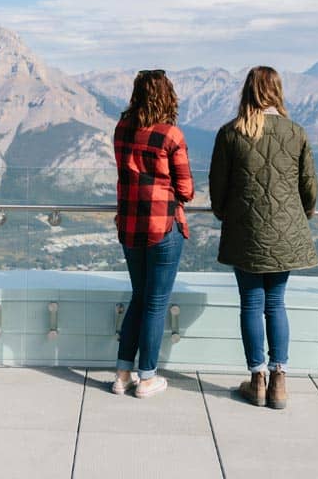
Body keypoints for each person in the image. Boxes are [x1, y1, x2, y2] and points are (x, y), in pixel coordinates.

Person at [209, 66, 318, 409]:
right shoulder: (295, 132)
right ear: (277, 92)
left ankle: (257, 379)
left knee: (251, 304)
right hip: (286, 232)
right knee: (276, 303)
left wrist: (230, 215)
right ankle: (280, 380)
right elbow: (309, 187)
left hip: (245, 231)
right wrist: (299, 216)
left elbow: (217, 190)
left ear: (247, 92)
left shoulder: (230, 133)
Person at [112, 69, 194, 398]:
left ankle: (122, 374)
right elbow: (186, 190)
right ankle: (147, 378)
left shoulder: (121, 130)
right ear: (167, 95)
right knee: (156, 302)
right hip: (162, 226)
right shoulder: (170, 134)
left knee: (138, 296)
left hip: (130, 226)